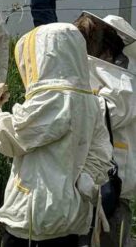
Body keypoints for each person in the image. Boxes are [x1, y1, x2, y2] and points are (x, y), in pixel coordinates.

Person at [0, 23, 112, 246]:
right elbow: (101, 155)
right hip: (69, 217)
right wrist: (80, 184)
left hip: (36, 220)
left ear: (44, 54)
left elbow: (12, 138)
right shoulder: (91, 101)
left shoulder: (53, 99)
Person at [74, 12, 136, 247]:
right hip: (92, 186)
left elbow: (101, 116)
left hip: (113, 188)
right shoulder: (103, 75)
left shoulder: (123, 85)